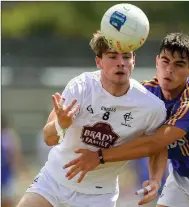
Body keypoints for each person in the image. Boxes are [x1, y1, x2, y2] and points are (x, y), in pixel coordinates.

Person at [63, 32, 189, 207]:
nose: (169, 70)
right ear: (157, 61)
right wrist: (155, 180)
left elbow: (153, 143)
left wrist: (99, 156)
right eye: (165, 61)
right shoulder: (147, 94)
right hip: (182, 177)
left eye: (179, 65)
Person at [16, 30, 167, 207]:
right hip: (53, 183)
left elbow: (157, 145)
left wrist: (155, 180)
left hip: (99, 196)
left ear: (134, 61)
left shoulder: (151, 107)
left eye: (126, 57)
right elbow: (49, 138)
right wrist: (61, 124)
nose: (120, 63)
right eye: (112, 56)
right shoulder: (81, 87)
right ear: (99, 62)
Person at [1, 114, 28, 207]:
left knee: (7, 199)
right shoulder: (9, 136)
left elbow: (15, 154)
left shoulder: (8, 135)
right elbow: (16, 154)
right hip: (6, 172)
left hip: (6, 172)